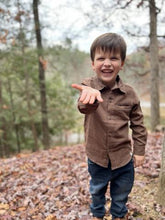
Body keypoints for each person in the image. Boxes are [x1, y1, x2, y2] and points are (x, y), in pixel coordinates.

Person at [72, 33, 147, 220]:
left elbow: (138, 125)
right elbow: (83, 107)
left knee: (121, 193)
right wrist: (88, 97)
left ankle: (118, 215)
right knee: (97, 191)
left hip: (123, 158)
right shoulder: (88, 87)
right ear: (92, 63)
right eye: (101, 58)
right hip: (97, 158)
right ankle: (97, 214)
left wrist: (139, 151)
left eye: (113, 58)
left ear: (122, 63)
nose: (107, 63)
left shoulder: (130, 93)